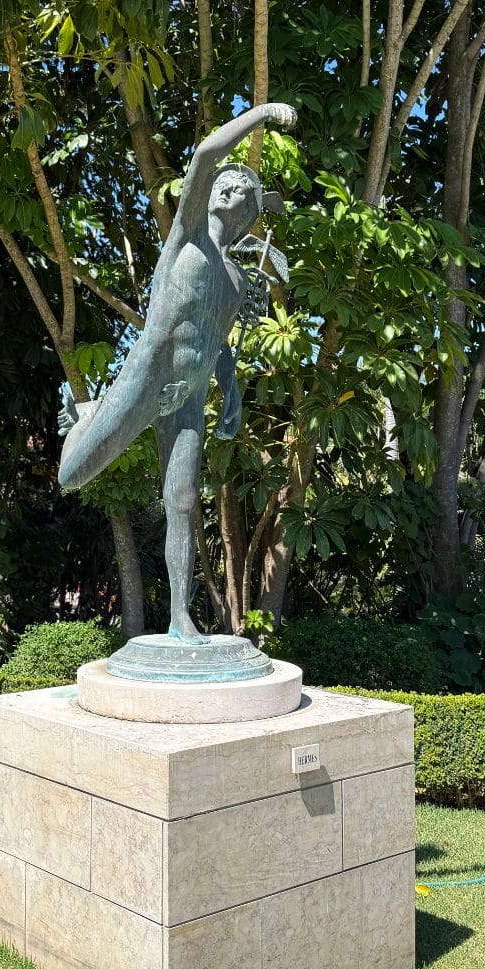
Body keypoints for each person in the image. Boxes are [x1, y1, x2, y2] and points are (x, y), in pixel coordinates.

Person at [59, 102, 297, 642]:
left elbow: (218, 343)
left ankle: (180, 618)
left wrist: (230, 396)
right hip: (148, 375)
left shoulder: (235, 280)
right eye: (224, 184)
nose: (226, 188)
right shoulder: (186, 235)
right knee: (72, 474)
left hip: (187, 395)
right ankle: (87, 414)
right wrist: (261, 115)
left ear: (248, 211)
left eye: (239, 189)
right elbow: (207, 152)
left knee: (183, 503)